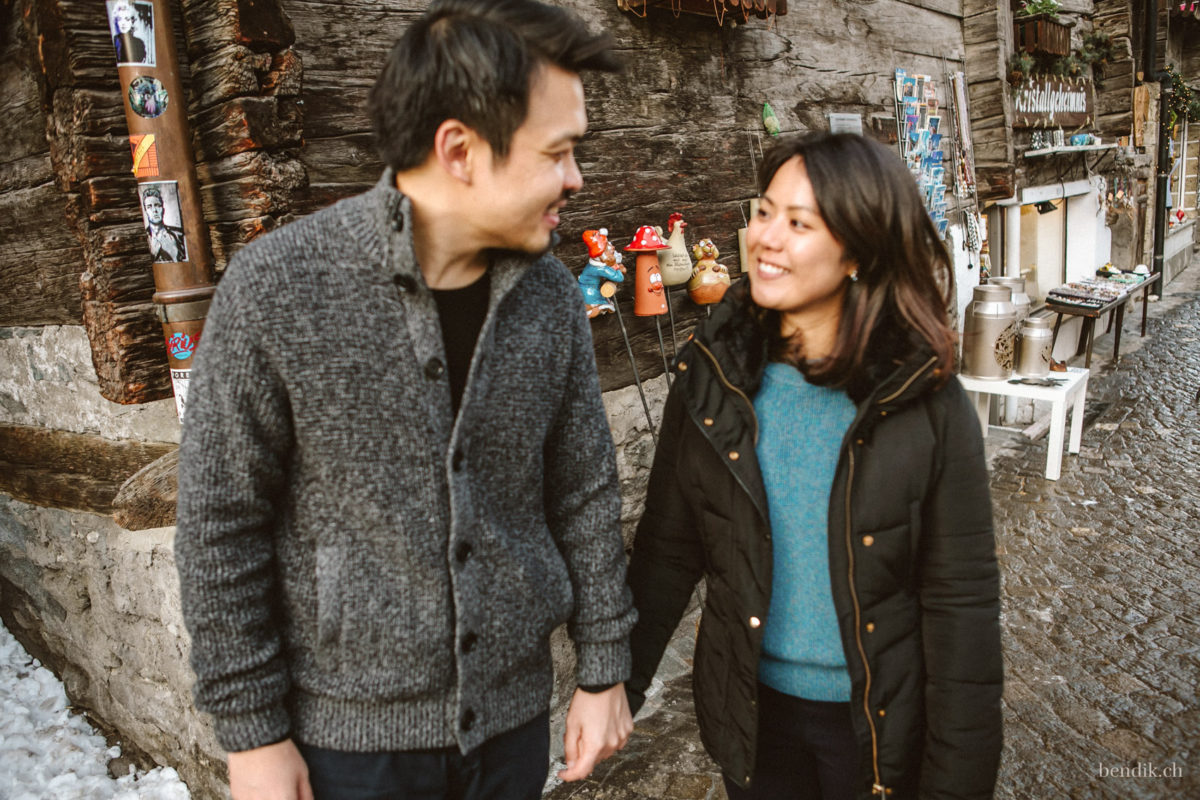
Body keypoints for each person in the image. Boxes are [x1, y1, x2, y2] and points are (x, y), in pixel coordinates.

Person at [174, 2, 636, 798]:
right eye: (558, 152)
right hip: (349, 747)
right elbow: (220, 522)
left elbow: (584, 489)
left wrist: (603, 669)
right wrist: (253, 733)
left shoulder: (552, 300)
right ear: (458, 148)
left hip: (512, 728)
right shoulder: (280, 288)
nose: (576, 178)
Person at [625, 132, 1002, 800]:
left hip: (876, 726)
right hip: (755, 715)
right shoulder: (713, 375)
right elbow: (667, 549)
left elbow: (962, 607)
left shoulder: (924, 396)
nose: (765, 237)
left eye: (799, 223)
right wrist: (613, 687)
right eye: (765, 211)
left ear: (857, 249)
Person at [141, 187, 187, 262]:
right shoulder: (144, 237)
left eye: (157, 205)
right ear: (145, 211)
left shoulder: (178, 235)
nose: (154, 210)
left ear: (163, 209)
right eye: (149, 207)